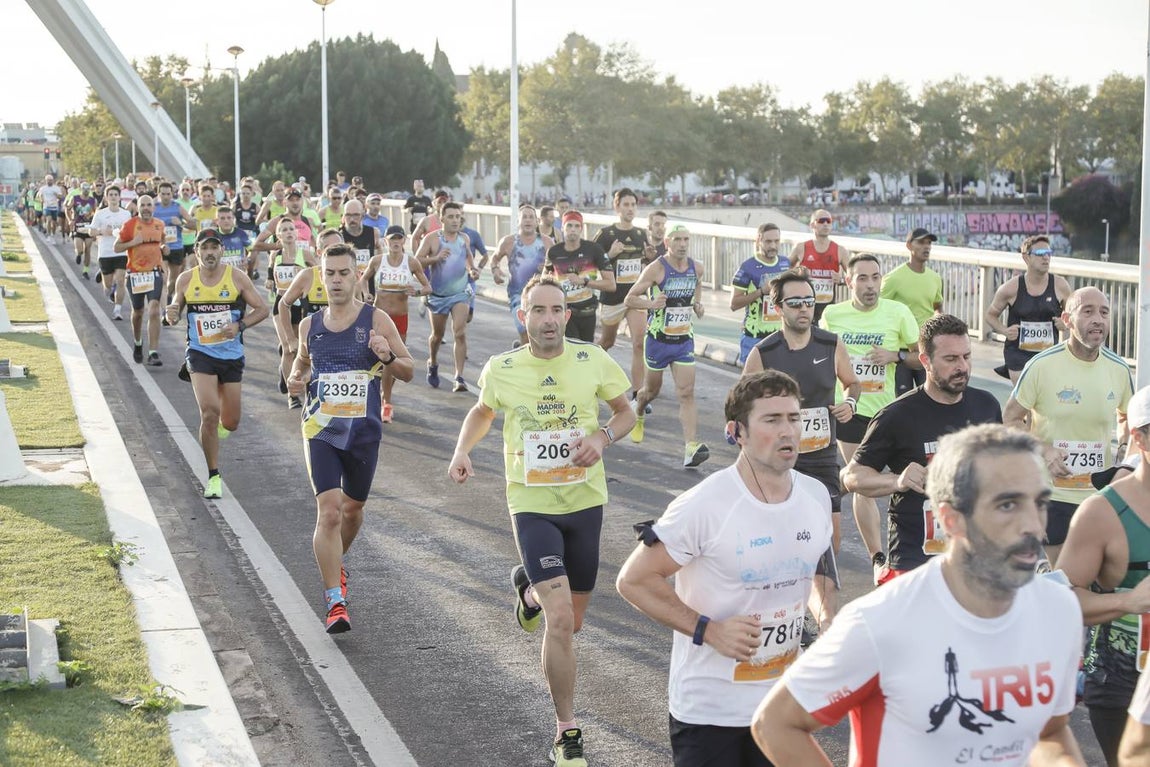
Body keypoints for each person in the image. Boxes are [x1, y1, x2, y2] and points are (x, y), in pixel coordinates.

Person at [754, 423, 1087, 767]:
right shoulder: (881, 621)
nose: (1034, 524)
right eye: (1007, 505)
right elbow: (777, 724)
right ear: (951, 519)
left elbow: (1050, 732)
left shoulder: (1059, 610)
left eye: (1040, 503)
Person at [448, 274, 635, 767]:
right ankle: (566, 729)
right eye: (539, 311)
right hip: (531, 502)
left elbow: (625, 412)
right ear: (523, 316)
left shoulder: (592, 358)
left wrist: (603, 439)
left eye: (556, 310)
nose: (548, 319)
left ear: (567, 316)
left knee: (572, 623)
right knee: (558, 620)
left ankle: (528, 590)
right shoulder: (502, 367)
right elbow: (482, 411)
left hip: (585, 501)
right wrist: (462, 449)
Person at [616, 370, 837, 767]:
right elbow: (634, 581)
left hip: (780, 706)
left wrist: (826, 617)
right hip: (710, 711)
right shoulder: (705, 504)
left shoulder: (815, 495)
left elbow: (817, 566)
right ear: (738, 432)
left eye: (794, 418)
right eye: (772, 420)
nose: (788, 431)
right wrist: (709, 630)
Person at [287, 244, 414, 633]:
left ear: (357, 275)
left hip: (363, 433)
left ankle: (335, 566)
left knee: (353, 510)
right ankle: (334, 601)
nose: (337, 280)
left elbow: (409, 370)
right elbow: (303, 363)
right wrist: (297, 378)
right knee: (329, 511)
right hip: (321, 429)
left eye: (344, 272)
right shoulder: (310, 324)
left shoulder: (376, 320)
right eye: (330, 273)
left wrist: (388, 357)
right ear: (320, 277)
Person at [842, 314, 1003, 584]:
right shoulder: (896, 415)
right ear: (925, 361)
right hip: (915, 560)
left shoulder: (986, 405)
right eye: (951, 359)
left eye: (966, 356)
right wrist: (897, 480)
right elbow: (851, 476)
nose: (962, 366)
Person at [1004, 286, 1134, 566]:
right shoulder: (1041, 366)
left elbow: (1128, 418)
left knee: (1098, 578)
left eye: (1104, 312)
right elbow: (1011, 419)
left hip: (1100, 495)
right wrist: (1044, 450)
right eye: (1087, 311)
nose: (1098, 319)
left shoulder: (1119, 370)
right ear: (1067, 320)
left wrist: (1123, 448)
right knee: (1060, 578)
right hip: (1053, 492)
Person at [1059, 385, 1150, 766]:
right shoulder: (1102, 513)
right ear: (1139, 436)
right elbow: (1061, 599)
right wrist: (1128, 602)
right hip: (1122, 686)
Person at [743, 269, 861, 553]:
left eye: (809, 301)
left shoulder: (831, 344)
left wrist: (850, 403)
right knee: (777, 536)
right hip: (776, 457)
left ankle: (821, 590)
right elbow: (740, 404)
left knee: (830, 541)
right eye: (795, 303)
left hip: (821, 453)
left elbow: (853, 383)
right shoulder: (763, 352)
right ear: (778, 307)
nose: (804, 308)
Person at [819, 253, 920, 582]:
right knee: (864, 481)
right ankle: (878, 558)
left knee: (900, 483)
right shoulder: (832, 316)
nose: (870, 285)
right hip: (850, 410)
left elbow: (923, 357)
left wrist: (896, 356)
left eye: (875, 277)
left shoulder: (898, 313)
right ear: (848, 281)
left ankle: (828, 494)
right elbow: (818, 359)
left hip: (889, 414)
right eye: (862, 278)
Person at [166, 229, 269, 499]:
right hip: (200, 354)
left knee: (231, 422)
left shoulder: (236, 277)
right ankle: (213, 476)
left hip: (231, 355)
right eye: (205, 248)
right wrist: (172, 313)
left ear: (221, 250)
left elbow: (263, 309)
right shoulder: (186, 279)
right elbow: (175, 309)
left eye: (214, 248)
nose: (210, 252)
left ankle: (221, 428)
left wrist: (240, 325)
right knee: (209, 413)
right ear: (197, 251)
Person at [624, 224, 710, 468]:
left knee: (687, 392)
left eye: (686, 239)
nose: (683, 244)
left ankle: (691, 448)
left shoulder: (697, 267)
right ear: (668, 243)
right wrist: (651, 304)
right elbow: (629, 298)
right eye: (678, 239)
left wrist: (698, 304)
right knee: (651, 392)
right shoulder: (657, 268)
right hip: (658, 342)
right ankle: (638, 411)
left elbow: (698, 283)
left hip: (683, 340)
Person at [358, 225, 430, 422]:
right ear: (386, 241)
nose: (396, 242)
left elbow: (427, 287)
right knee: (373, 358)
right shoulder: (377, 261)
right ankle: (383, 399)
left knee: (393, 360)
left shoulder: (412, 262)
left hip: (400, 318)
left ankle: (385, 399)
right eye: (392, 239)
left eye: (399, 239)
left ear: (404, 241)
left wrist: (415, 292)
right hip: (379, 316)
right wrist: (366, 294)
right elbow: (363, 280)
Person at [986, 235, 1073, 384]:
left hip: (1048, 354)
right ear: (1026, 258)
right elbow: (990, 315)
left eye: (1048, 253)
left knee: (1044, 400)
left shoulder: (1060, 285)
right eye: (1040, 254)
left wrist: (1065, 324)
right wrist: (1004, 331)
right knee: (1024, 398)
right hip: (1017, 353)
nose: (1046, 258)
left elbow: (1073, 315)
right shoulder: (1010, 288)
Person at [596, 188, 655, 402]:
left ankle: (638, 394)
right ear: (617, 207)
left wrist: (648, 259)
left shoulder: (640, 234)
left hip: (634, 296)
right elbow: (590, 265)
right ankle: (591, 373)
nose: (630, 209)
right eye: (626, 205)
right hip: (612, 297)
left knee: (639, 342)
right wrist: (610, 254)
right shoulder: (605, 234)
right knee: (607, 341)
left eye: (633, 205)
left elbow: (646, 266)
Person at [414, 201, 479, 392]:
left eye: (458, 217)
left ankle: (459, 377)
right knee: (437, 336)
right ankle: (432, 363)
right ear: (441, 218)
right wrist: (435, 258)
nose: (455, 220)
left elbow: (468, 261)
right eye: (450, 216)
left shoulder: (464, 238)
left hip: (460, 293)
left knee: (460, 332)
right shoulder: (433, 239)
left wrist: (472, 271)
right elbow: (417, 261)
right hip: (438, 295)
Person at [881, 227, 944, 395]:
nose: (927, 247)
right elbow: (879, 308)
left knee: (931, 398)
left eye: (929, 243)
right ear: (909, 246)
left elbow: (937, 307)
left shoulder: (935, 278)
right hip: (900, 352)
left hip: (925, 349)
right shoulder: (893, 278)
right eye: (921, 242)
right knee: (900, 401)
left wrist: (939, 329)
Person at [543, 210, 615, 343]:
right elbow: (544, 281)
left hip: (588, 312)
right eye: (569, 226)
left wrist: (584, 282)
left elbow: (611, 285)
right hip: (565, 312)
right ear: (562, 228)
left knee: (584, 352)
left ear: (581, 228)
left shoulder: (594, 250)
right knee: (572, 347)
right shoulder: (554, 252)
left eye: (577, 226)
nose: (573, 230)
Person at [115, 194, 169, 366]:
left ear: (153, 207)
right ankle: (138, 343)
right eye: (143, 205)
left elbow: (162, 243)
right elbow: (117, 247)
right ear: (138, 207)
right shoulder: (130, 225)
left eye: (149, 205)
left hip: (154, 272)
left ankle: (153, 352)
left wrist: (164, 249)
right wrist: (132, 243)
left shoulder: (159, 224)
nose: (146, 208)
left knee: (154, 310)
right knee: (138, 313)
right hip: (135, 274)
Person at [491, 204, 552, 347]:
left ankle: (524, 348)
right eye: (524, 217)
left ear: (537, 222)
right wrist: (495, 270)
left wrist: (549, 268)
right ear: (518, 220)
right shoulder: (508, 242)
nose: (528, 220)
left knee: (540, 332)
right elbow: (495, 258)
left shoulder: (547, 242)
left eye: (531, 217)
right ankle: (527, 357)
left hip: (541, 293)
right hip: (518, 294)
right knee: (525, 329)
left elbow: (557, 266)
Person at [731, 223, 791, 366]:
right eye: (768, 241)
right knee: (752, 385)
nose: (773, 246)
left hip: (780, 336)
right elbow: (734, 304)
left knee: (780, 384)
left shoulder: (785, 263)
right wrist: (760, 292)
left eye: (776, 241)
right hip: (754, 338)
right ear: (758, 241)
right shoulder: (747, 267)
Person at [788, 209, 849, 323]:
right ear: (812, 225)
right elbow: (785, 270)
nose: (825, 224)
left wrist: (840, 280)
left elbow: (854, 277)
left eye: (828, 221)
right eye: (821, 221)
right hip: (804, 306)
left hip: (828, 307)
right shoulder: (801, 248)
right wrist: (797, 276)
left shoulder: (840, 250)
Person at [91, 185, 132, 321]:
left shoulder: (126, 214)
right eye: (111, 195)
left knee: (121, 280)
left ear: (119, 197)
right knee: (107, 285)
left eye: (116, 195)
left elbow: (131, 232)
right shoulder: (100, 213)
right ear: (106, 197)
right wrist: (102, 231)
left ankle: (117, 310)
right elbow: (91, 231)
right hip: (105, 252)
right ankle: (109, 289)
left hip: (121, 252)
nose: (114, 197)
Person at [153, 181, 197, 304]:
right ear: (158, 194)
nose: (166, 197)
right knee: (163, 277)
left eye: (168, 194)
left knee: (173, 280)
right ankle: (163, 303)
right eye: (163, 194)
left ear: (172, 194)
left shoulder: (177, 207)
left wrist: (181, 223)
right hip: (160, 246)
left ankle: (168, 296)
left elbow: (194, 225)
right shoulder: (154, 208)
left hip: (176, 247)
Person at [67, 181, 98, 279]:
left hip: (88, 228)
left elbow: (96, 214)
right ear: (80, 189)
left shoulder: (93, 200)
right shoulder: (75, 199)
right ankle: (79, 254)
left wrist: (95, 225)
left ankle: (85, 271)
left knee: (88, 249)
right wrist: (70, 220)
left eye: (87, 189)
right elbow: (67, 209)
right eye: (84, 189)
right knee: (80, 250)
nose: (86, 191)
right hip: (78, 228)